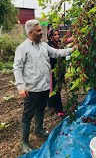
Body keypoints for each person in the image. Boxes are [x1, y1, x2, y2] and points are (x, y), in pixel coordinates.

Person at [13, 19, 75, 153]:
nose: (42, 32)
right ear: (31, 32)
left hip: (44, 87)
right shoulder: (23, 48)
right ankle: (24, 142)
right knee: (28, 115)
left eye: (41, 30)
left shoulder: (44, 46)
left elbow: (57, 53)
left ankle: (39, 130)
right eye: (39, 30)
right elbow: (17, 68)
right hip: (31, 89)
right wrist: (21, 87)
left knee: (41, 109)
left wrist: (72, 49)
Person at [47, 29, 65, 117]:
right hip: (52, 70)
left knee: (57, 88)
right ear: (51, 37)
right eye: (55, 35)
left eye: (58, 34)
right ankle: (59, 109)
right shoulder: (48, 45)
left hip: (60, 70)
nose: (57, 36)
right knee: (55, 89)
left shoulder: (60, 44)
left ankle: (51, 104)